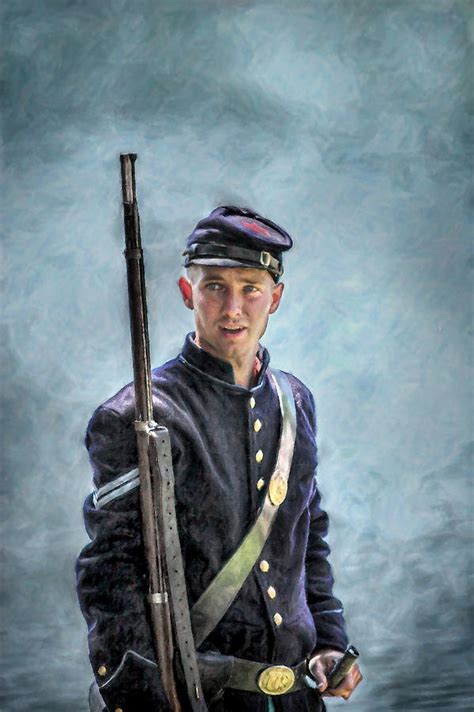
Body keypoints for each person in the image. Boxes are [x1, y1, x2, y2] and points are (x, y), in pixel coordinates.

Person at [76, 205, 362, 712]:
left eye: (251, 288)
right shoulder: (135, 415)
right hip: (196, 697)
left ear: (275, 297)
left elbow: (306, 536)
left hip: (296, 698)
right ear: (189, 293)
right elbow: (110, 569)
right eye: (214, 287)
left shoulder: (295, 402)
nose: (233, 308)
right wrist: (144, 687)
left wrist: (328, 641)